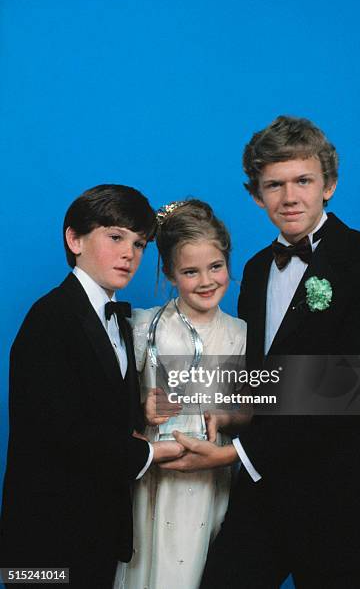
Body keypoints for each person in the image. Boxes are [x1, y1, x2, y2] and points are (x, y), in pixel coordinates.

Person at [160, 117, 360, 588]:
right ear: (256, 194)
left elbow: (356, 386)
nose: (289, 197)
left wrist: (234, 454)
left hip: (342, 502)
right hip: (264, 499)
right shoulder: (254, 271)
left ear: (329, 185)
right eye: (274, 185)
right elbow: (266, 377)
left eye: (303, 181)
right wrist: (229, 414)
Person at [0, 184, 183, 588]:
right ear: (75, 239)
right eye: (115, 237)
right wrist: (149, 451)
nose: (129, 255)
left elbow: (97, 402)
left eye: (138, 244)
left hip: (96, 530)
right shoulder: (50, 318)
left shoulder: (117, 319)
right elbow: (60, 429)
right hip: (44, 540)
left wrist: (142, 409)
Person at [114, 199, 247, 589]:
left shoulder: (241, 334)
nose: (206, 281)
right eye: (190, 271)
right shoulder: (144, 328)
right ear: (170, 273)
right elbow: (111, 405)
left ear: (228, 262)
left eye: (216, 267)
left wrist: (225, 415)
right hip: (155, 473)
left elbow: (253, 410)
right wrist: (142, 408)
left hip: (212, 473)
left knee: (202, 567)